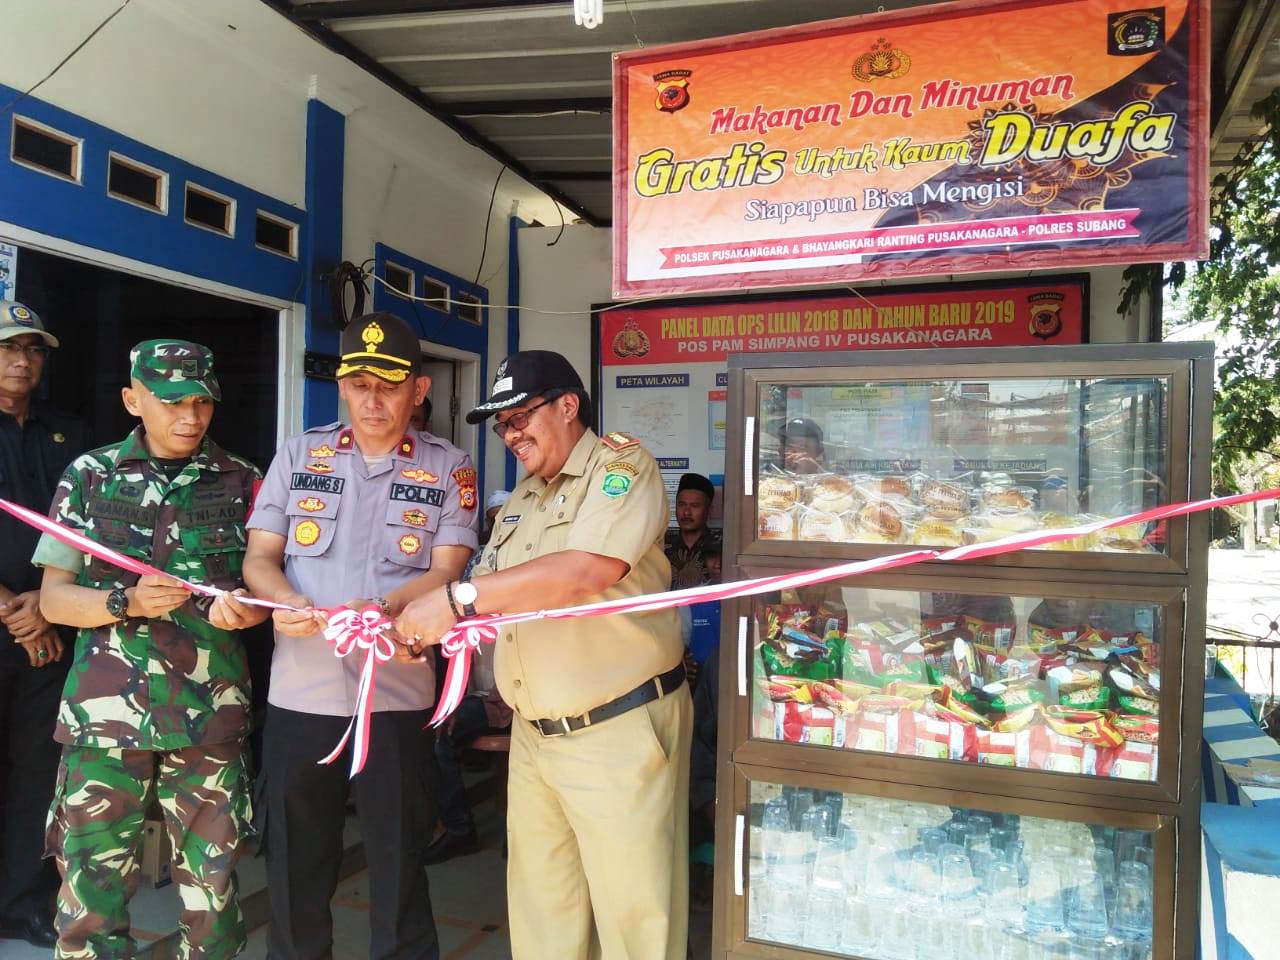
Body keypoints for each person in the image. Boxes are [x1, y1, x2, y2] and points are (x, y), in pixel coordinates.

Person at [394, 350, 692, 960]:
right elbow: (500, 603)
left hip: (616, 729)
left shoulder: (622, 466)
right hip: (534, 736)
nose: (511, 435)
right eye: (501, 426)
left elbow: (585, 570)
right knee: (543, 919)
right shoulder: (526, 496)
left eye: (521, 417)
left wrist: (454, 600)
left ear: (567, 405)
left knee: (635, 923)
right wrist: (418, 631)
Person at [242, 311, 478, 960]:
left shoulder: (450, 467)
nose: (373, 400)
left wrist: (382, 607)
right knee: (294, 866)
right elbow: (260, 557)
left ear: (418, 390)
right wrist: (283, 598)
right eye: (360, 384)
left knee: (400, 867)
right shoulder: (298, 454)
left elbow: (447, 569)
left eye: (390, 385)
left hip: (397, 694)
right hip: (302, 691)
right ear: (342, 386)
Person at [34, 339, 267, 959]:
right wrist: (125, 602)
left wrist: (248, 610)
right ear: (133, 400)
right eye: (171, 402)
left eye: (201, 401)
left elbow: (268, 586)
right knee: (91, 896)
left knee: (212, 896)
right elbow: (54, 602)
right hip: (105, 723)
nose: (190, 416)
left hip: (208, 718)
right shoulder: (88, 476)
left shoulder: (245, 481)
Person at [0, 301, 83, 948]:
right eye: (8, 348)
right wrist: (14, 608)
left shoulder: (66, 436)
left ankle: (25, 899)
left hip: (49, 625)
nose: (21, 360)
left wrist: (44, 607)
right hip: (23, 621)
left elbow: (87, 530)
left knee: (36, 770)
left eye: (32, 349)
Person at [427, 488, 513, 864]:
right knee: (429, 731)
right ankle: (452, 826)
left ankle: (462, 830)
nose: (497, 526)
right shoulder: (474, 569)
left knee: (439, 742)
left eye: (503, 519)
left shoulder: (521, 574)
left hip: (508, 698)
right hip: (474, 692)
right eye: (492, 519)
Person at [664, 472, 722, 591]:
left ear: (709, 510)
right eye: (681, 505)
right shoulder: (661, 544)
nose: (686, 512)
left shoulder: (721, 546)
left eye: (695, 506)